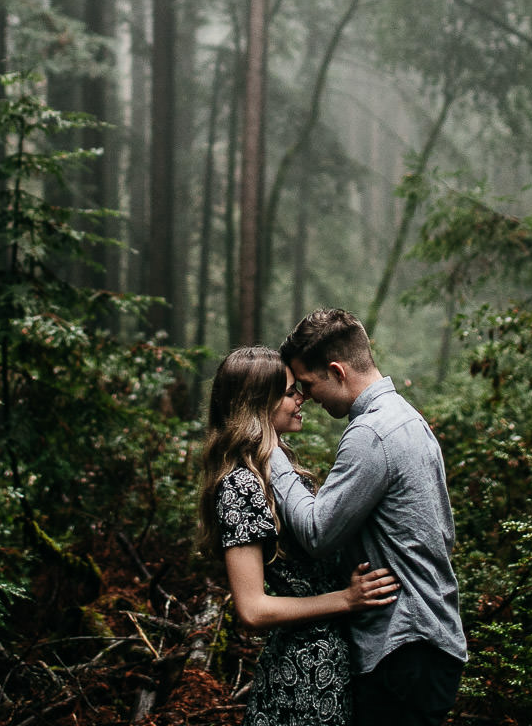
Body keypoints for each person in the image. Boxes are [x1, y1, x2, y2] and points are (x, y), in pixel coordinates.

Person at [267, 308, 467, 726]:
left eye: (308, 383)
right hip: (424, 646)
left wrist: (271, 453)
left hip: (404, 648)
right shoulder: (407, 420)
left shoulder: (372, 433)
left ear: (337, 371)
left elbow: (318, 532)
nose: (307, 398)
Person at [199, 346, 401, 726]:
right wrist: (345, 599)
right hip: (302, 676)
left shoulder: (272, 470)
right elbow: (253, 609)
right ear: (260, 401)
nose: (301, 397)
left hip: (325, 664)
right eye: (290, 391)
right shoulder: (242, 484)